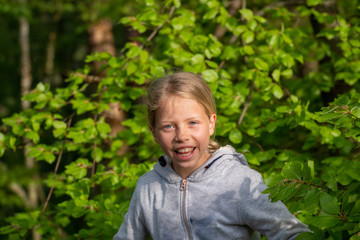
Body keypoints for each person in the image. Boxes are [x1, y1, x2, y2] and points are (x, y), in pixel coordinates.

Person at [113, 72, 310, 240]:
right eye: (168, 126)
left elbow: (293, 233)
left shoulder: (239, 181)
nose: (181, 136)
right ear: (154, 133)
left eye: (193, 123)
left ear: (211, 123)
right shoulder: (148, 188)